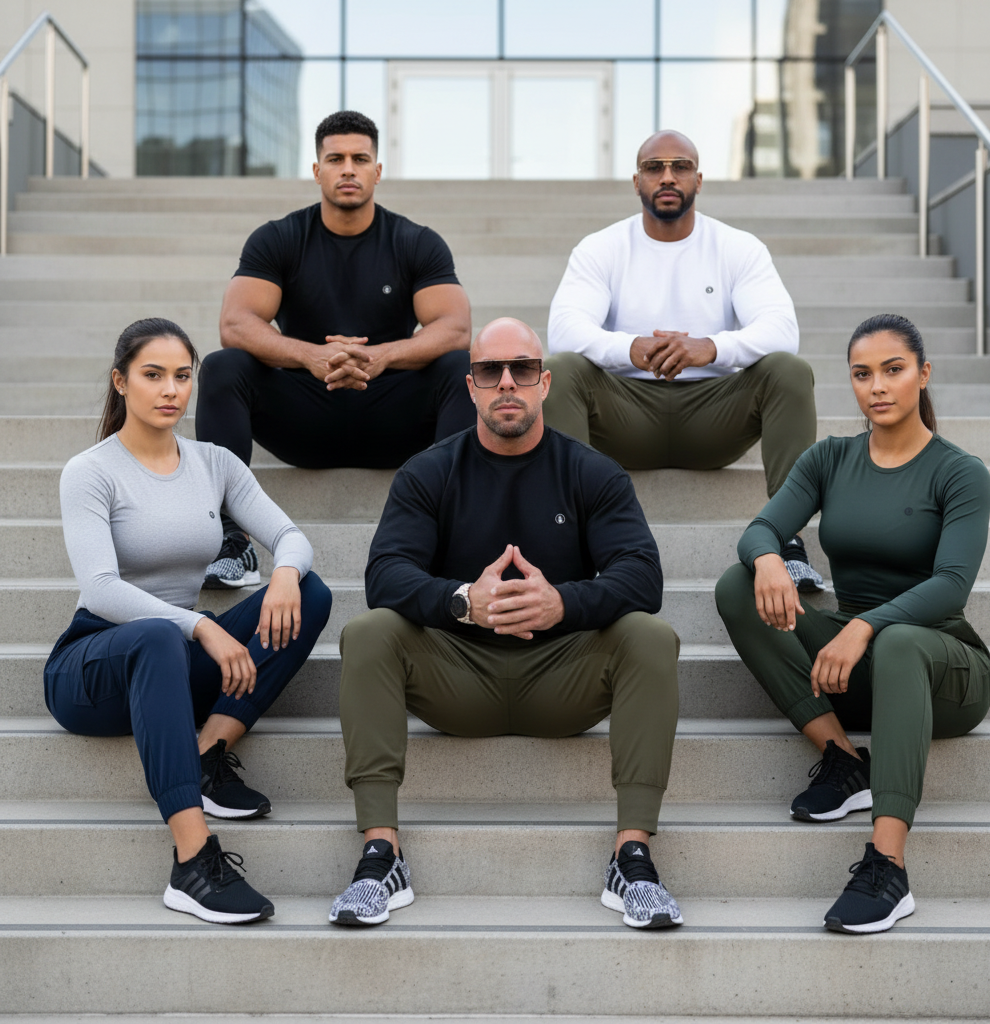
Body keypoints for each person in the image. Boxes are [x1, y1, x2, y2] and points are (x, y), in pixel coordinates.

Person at [329, 317, 683, 930]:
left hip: (561, 681)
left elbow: (642, 579)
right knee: (368, 633)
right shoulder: (429, 471)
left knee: (650, 637)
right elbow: (384, 575)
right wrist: (465, 601)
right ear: (471, 387)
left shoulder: (591, 471)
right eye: (491, 372)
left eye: (522, 370)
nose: (507, 384)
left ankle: (633, 857)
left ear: (545, 383)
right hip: (458, 681)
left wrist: (562, 605)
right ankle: (380, 854)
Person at [45, 318, 333, 925]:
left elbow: (289, 536)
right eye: (153, 375)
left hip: (172, 663)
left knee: (309, 591)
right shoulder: (90, 471)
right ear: (121, 382)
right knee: (157, 635)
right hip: (95, 666)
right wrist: (199, 624)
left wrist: (282, 574)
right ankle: (192, 861)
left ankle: (206, 753)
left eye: (182, 376)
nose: (170, 390)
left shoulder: (214, 463)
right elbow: (100, 588)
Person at [715, 313, 990, 934]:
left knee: (895, 642)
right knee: (736, 585)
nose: (878, 386)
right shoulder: (830, 459)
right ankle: (844, 760)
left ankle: (888, 866)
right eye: (862, 374)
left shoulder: (960, 471)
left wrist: (863, 628)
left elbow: (951, 585)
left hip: (943, 665)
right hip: (857, 659)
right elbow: (762, 528)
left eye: (893, 370)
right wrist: (767, 560)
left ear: (923, 374)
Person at [195, 109, 474, 587]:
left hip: (393, 417)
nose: (349, 169)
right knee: (224, 367)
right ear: (317, 170)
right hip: (305, 415)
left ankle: (451, 536)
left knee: (461, 367)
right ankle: (230, 541)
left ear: (378, 171)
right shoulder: (279, 238)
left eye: (360, 158)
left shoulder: (414, 242)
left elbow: (454, 327)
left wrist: (383, 356)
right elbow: (236, 323)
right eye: (336, 158)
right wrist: (310, 356)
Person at [545, 129, 822, 590]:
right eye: (655, 168)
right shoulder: (601, 247)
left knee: (789, 371)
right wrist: (628, 347)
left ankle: (786, 540)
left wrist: (710, 348)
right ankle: (573, 541)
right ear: (637, 182)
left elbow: (782, 330)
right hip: (624, 415)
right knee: (564, 369)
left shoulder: (737, 247)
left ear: (699, 179)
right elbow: (564, 329)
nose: (667, 177)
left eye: (680, 167)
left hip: (712, 414)